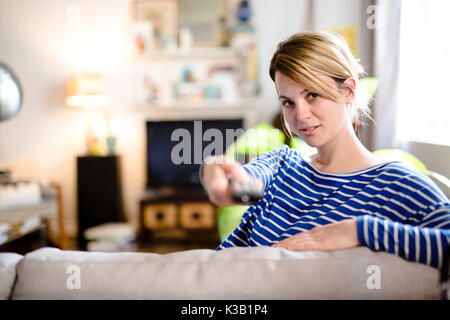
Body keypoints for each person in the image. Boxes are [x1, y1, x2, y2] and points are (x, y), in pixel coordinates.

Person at [200, 31, 450, 269]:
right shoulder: (281, 165)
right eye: (288, 102)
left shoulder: (397, 185)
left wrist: (358, 231)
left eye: (312, 95)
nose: (300, 116)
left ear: (349, 91)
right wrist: (217, 172)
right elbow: (244, 180)